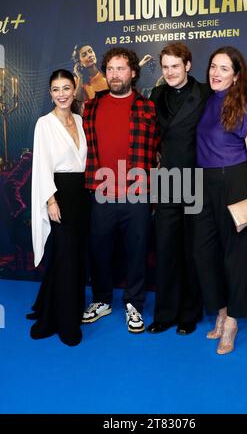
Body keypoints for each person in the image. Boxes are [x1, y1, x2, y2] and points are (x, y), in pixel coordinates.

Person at [194, 46, 247, 354]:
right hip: (202, 182)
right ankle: (221, 313)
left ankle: (233, 322)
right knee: (203, 252)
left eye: (224, 68)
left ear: (237, 76)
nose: (216, 73)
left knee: (236, 256)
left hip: (235, 181)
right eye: (213, 66)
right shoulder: (207, 102)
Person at [81, 47, 158, 333]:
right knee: (99, 250)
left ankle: (134, 304)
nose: (115, 75)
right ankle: (101, 299)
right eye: (110, 69)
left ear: (133, 73)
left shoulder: (147, 107)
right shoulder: (91, 106)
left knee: (137, 252)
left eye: (121, 69)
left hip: (136, 193)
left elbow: (159, 150)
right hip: (101, 193)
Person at [146, 43, 210, 335]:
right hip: (166, 179)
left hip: (196, 178)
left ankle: (189, 314)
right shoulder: (156, 94)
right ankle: (165, 314)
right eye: (166, 67)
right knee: (166, 247)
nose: (170, 72)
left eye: (176, 66)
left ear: (188, 65)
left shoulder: (206, 93)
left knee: (191, 249)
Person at [28, 69, 88, 346]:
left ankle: (53, 306)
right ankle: (64, 324)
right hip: (59, 195)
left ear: (74, 89)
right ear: (50, 93)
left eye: (66, 88)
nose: (62, 94)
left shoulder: (78, 119)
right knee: (65, 256)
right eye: (56, 89)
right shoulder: (44, 123)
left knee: (72, 256)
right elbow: (41, 164)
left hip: (80, 195)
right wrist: (51, 201)